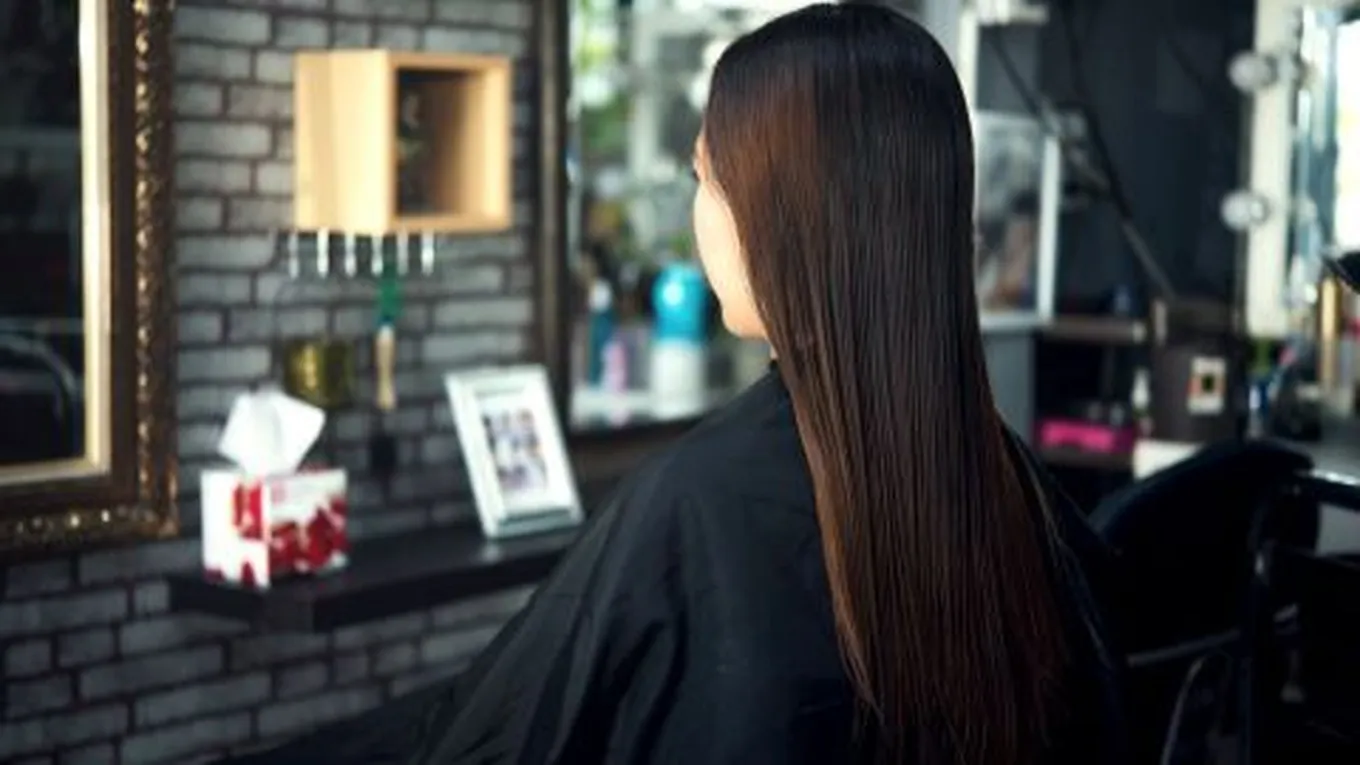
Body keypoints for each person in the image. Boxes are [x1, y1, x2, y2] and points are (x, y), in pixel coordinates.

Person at [221, 4, 1125, 763]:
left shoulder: (698, 503)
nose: (699, 216)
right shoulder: (1017, 491)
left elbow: (492, 734)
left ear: (783, 218)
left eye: (706, 178)